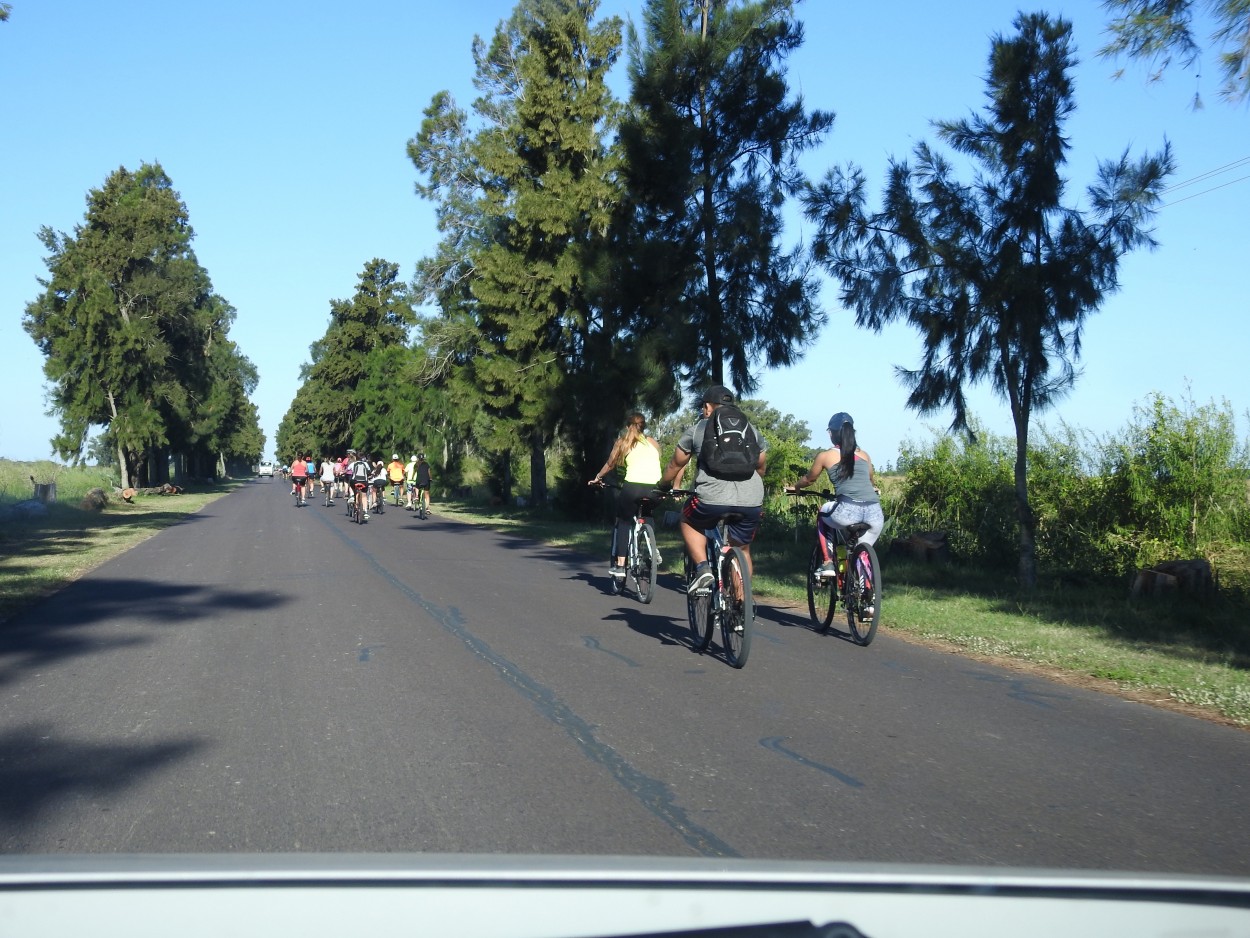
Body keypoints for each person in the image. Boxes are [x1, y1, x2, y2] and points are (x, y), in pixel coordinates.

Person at [656, 385, 767, 593]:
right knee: (742, 549)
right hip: (751, 500)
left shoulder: (699, 428)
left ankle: (702, 567)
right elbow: (761, 464)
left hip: (710, 499)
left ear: (707, 407)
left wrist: (663, 486)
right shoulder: (750, 428)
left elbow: (675, 464)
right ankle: (741, 606)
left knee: (687, 519)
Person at [787, 411, 883, 578]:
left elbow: (809, 480)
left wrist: (795, 487)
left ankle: (827, 562)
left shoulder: (825, 456)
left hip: (847, 510)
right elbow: (870, 480)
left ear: (832, 433)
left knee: (822, 513)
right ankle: (867, 596)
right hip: (875, 513)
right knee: (862, 555)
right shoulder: (864, 455)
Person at [589, 413, 662, 579]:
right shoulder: (653, 442)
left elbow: (609, 464)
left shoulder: (623, 442)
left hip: (632, 488)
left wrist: (598, 478)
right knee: (648, 513)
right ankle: (652, 547)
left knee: (623, 522)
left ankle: (621, 566)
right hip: (655, 489)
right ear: (644, 426)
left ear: (628, 426)